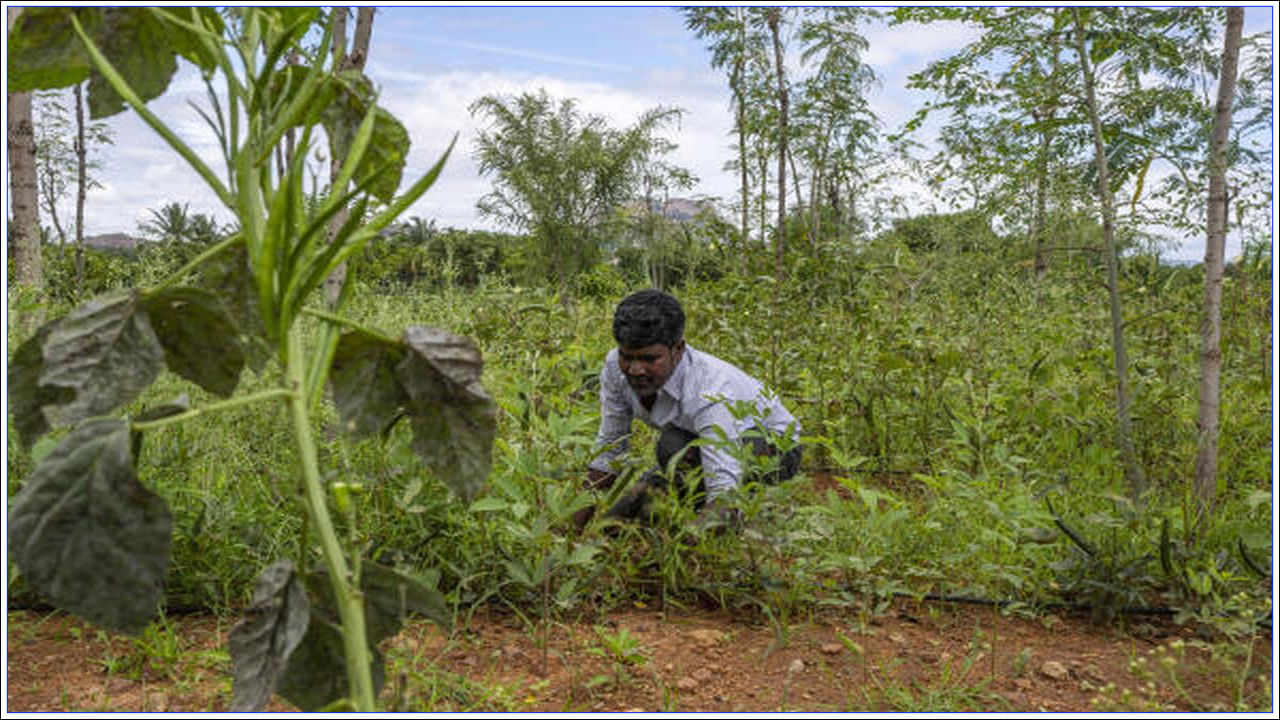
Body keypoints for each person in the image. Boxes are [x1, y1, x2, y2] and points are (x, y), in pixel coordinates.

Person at [579, 289, 801, 531]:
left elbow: (723, 491)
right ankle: (669, 490)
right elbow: (610, 448)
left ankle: (742, 520)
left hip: (773, 445)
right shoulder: (614, 367)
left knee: (672, 450)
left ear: (678, 349)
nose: (634, 370)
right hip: (692, 440)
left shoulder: (709, 389)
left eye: (649, 359)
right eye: (627, 357)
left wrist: (684, 543)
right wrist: (568, 525)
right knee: (616, 523)